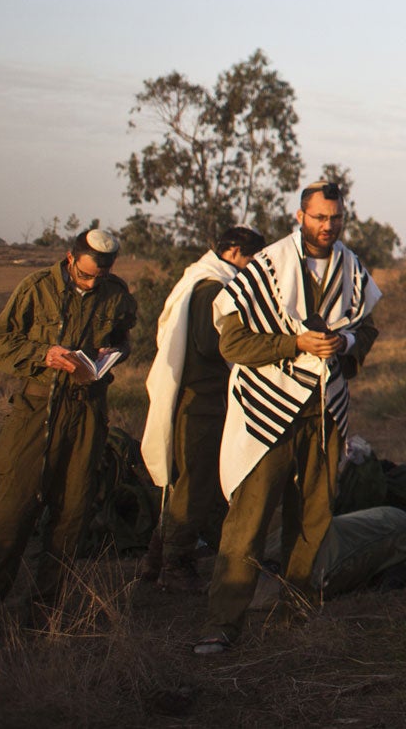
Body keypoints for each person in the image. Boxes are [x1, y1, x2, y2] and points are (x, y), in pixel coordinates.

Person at [194, 183, 382, 654]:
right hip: (268, 409)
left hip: (323, 413)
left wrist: (347, 344)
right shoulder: (269, 266)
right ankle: (223, 623)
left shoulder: (351, 266)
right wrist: (292, 344)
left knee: (314, 517)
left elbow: (365, 328)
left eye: (335, 218)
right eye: (319, 217)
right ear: (300, 215)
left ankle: (295, 612)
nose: (328, 226)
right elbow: (232, 344)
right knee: (249, 521)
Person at [0, 228, 138, 613]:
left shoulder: (117, 294)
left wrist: (112, 354)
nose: (91, 282)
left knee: (72, 515)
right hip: (36, 408)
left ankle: (44, 614)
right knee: (10, 510)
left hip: (87, 410)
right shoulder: (36, 287)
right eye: (85, 275)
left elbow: (124, 339)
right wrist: (44, 354)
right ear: (70, 260)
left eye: (99, 277)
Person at [140, 225, 266, 591]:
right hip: (202, 401)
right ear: (235, 253)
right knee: (194, 484)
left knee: (184, 484)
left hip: (202, 398)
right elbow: (211, 344)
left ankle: (155, 559)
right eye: (252, 258)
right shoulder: (212, 287)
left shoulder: (204, 279)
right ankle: (175, 566)